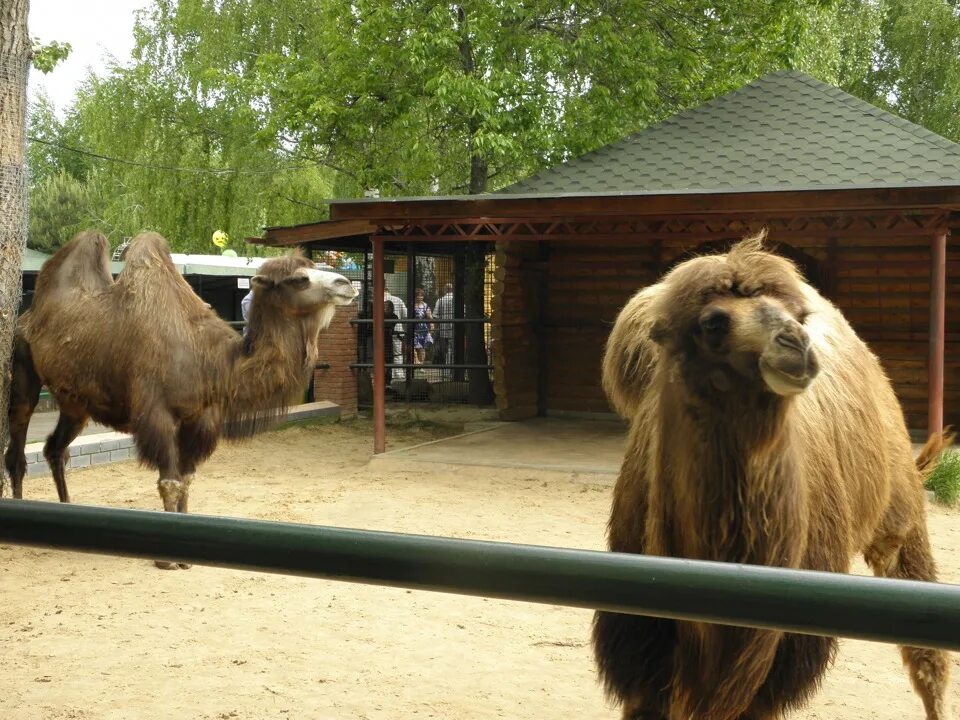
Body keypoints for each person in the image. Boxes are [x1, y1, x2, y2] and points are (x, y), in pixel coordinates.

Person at [384, 289, 407, 380]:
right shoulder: (398, 299)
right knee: (397, 353)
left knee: (385, 354)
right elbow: (405, 314)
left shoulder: (378, 300)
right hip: (397, 330)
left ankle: (390, 374)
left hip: (383, 334)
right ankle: (399, 373)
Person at [432, 283, 454, 375]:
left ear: (445, 290)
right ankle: (454, 369)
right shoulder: (457, 300)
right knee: (453, 348)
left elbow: (435, 315)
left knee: (445, 349)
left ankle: (447, 371)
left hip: (444, 329)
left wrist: (438, 325)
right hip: (455, 328)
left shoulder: (440, 300)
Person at [412, 287, 433, 365]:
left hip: (423, 329)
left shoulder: (425, 306)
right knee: (412, 346)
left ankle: (421, 364)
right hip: (414, 328)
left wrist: (431, 327)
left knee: (422, 348)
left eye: (421, 296)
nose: (419, 297)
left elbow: (430, 317)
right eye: (418, 295)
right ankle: (416, 361)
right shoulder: (412, 305)